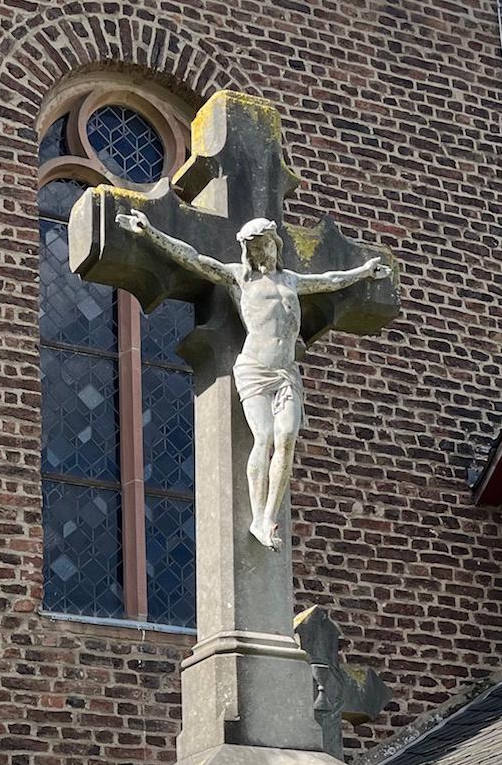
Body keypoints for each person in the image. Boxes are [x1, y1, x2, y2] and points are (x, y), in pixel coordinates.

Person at [118, 209, 389, 548]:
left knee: (287, 437)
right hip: (255, 369)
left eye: (266, 247)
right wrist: (150, 231)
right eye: (256, 249)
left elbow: (331, 280)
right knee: (264, 439)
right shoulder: (240, 277)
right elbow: (192, 258)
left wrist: (364, 272)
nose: (263, 255)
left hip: (286, 371)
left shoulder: (290, 280)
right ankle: (258, 518)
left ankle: (268, 516)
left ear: (276, 246)